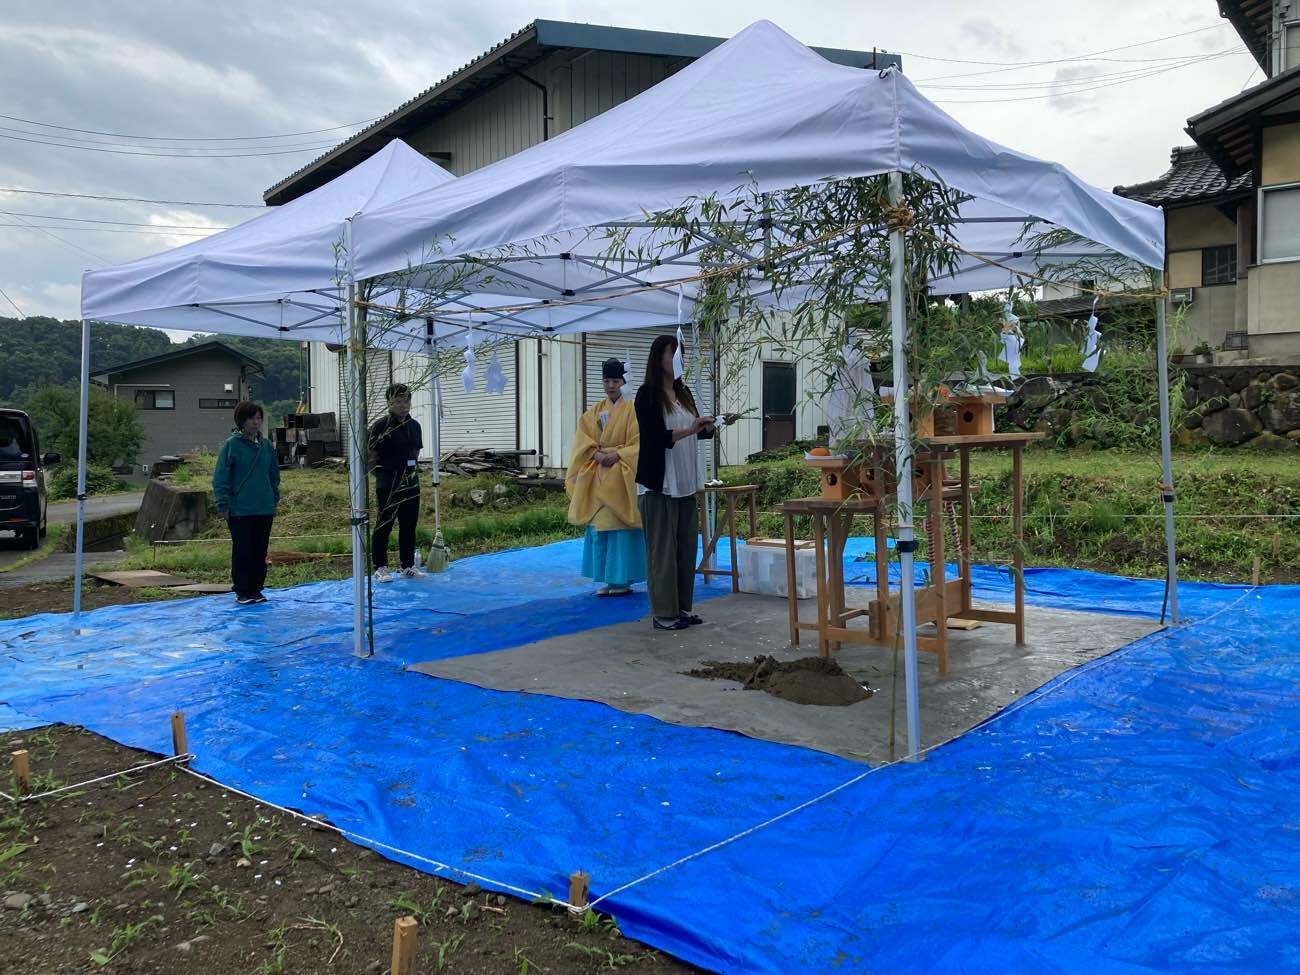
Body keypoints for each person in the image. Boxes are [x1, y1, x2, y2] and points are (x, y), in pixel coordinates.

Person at [634, 334, 715, 631]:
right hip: (660, 483)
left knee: (685, 547)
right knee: (662, 552)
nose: (679, 360)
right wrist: (689, 429)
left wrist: (711, 425)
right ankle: (663, 614)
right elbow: (654, 438)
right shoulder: (647, 395)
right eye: (673, 354)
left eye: (682, 354)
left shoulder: (684, 393)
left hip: (685, 482)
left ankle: (682, 608)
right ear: (659, 359)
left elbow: (695, 431)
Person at [566, 358, 645, 596]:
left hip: (621, 472)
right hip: (598, 471)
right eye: (607, 380)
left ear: (623, 381)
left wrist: (618, 454)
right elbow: (583, 439)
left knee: (619, 526)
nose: (611, 385)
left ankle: (622, 580)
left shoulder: (633, 410)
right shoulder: (594, 412)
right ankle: (608, 578)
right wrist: (596, 454)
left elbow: (639, 441)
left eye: (616, 380)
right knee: (601, 526)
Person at [213, 401, 280, 605]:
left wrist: (273, 498)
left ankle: (256, 589)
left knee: (260, 551)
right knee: (243, 550)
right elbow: (220, 477)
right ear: (242, 421)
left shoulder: (266, 445)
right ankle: (242, 590)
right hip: (240, 509)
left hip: (264, 508)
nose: (256, 422)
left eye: (259, 418)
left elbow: (273, 474)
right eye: (252, 418)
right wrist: (223, 504)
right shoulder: (231, 445)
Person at [369, 383, 425, 582]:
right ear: (389, 403)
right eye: (398, 401)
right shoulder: (380, 426)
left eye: (406, 401)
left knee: (409, 525)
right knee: (384, 524)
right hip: (388, 481)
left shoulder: (414, 426)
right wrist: (381, 476)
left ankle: (407, 565)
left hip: (410, 481)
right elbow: (371, 457)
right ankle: (380, 567)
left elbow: (415, 453)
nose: (403, 405)